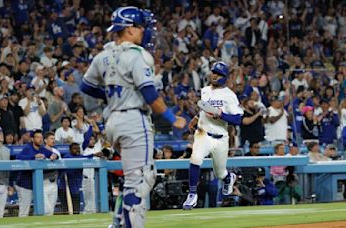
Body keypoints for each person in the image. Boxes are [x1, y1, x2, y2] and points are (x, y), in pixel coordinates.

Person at [80, 6, 186, 228]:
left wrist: (110, 97)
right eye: (140, 27)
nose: (144, 31)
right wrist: (170, 117)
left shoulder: (103, 55)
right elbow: (150, 94)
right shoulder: (136, 56)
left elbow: (86, 86)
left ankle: (117, 224)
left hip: (113, 122)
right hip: (133, 121)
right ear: (129, 29)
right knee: (141, 179)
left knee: (132, 180)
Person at [182, 61, 244, 210]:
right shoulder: (205, 90)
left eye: (218, 73)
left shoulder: (229, 95)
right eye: (213, 72)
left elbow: (238, 119)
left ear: (224, 77)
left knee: (220, 173)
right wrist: (196, 118)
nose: (214, 75)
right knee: (195, 159)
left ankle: (229, 177)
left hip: (221, 137)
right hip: (203, 134)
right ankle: (192, 194)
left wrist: (221, 115)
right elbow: (205, 109)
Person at [15, 129, 54, 217]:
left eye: (41, 137)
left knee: (41, 209)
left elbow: (53, 154)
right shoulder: (28, 148)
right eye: (37, 137)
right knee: (24, 211)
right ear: (32, 139)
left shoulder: (42, 149)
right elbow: (18, 157)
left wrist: (53, 156)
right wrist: (34, 156)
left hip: (36, 185)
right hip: (24, 185)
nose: (40, 139)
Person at [42, 132, 60, 216]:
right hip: (43, 183)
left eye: (54, 138)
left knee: (51, 210)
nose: (53, 140)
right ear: (45, 140)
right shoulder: (40, 150)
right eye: (51, 138)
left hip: (54, 182)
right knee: (46, 209)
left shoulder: (56, 151)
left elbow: (61, 165)